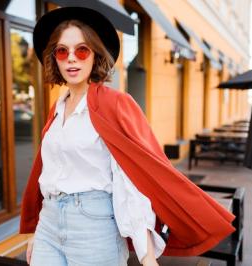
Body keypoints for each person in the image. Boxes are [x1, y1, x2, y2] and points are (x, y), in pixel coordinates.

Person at [20, 6, 236, 266]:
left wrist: (146, 255)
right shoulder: (57, 108)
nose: (72, 59)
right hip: (49, 224)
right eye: (62, 51)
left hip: (93, 226)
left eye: (82, 50)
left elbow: (133, 178)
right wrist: (35, 228)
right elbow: (47, 171)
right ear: (54, 57)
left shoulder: (115, 103)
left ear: (94, 54)